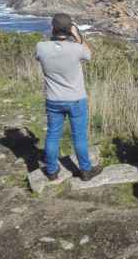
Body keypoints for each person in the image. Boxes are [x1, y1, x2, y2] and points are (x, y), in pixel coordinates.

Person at [35, 13, 102, 181]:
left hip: (53, 99)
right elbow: (89, 54)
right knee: (79, 136)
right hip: (76, 99)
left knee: (52, 134)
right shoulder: (77, 49)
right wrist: (78, 35)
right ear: (70, 29)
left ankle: (51, 171)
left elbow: (42, 52)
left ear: (53, 27)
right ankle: (85, 171)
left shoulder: (41, 47)